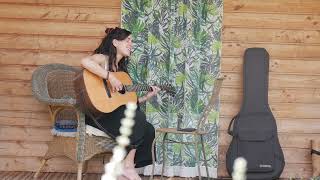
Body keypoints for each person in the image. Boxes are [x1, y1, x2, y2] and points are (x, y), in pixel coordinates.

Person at [81, 27, 160, 180]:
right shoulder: (103, 59)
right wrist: (109, 77)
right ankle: (127, 167)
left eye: (132, 41)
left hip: (113, 113)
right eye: (128, 40)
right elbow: (85, 62)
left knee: (148, 129)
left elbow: (124, 101)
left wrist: (146, 97)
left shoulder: (122, 72)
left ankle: (125, 172)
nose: (131, 44)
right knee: (138, 117)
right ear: (115, 42)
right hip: (97, 114)